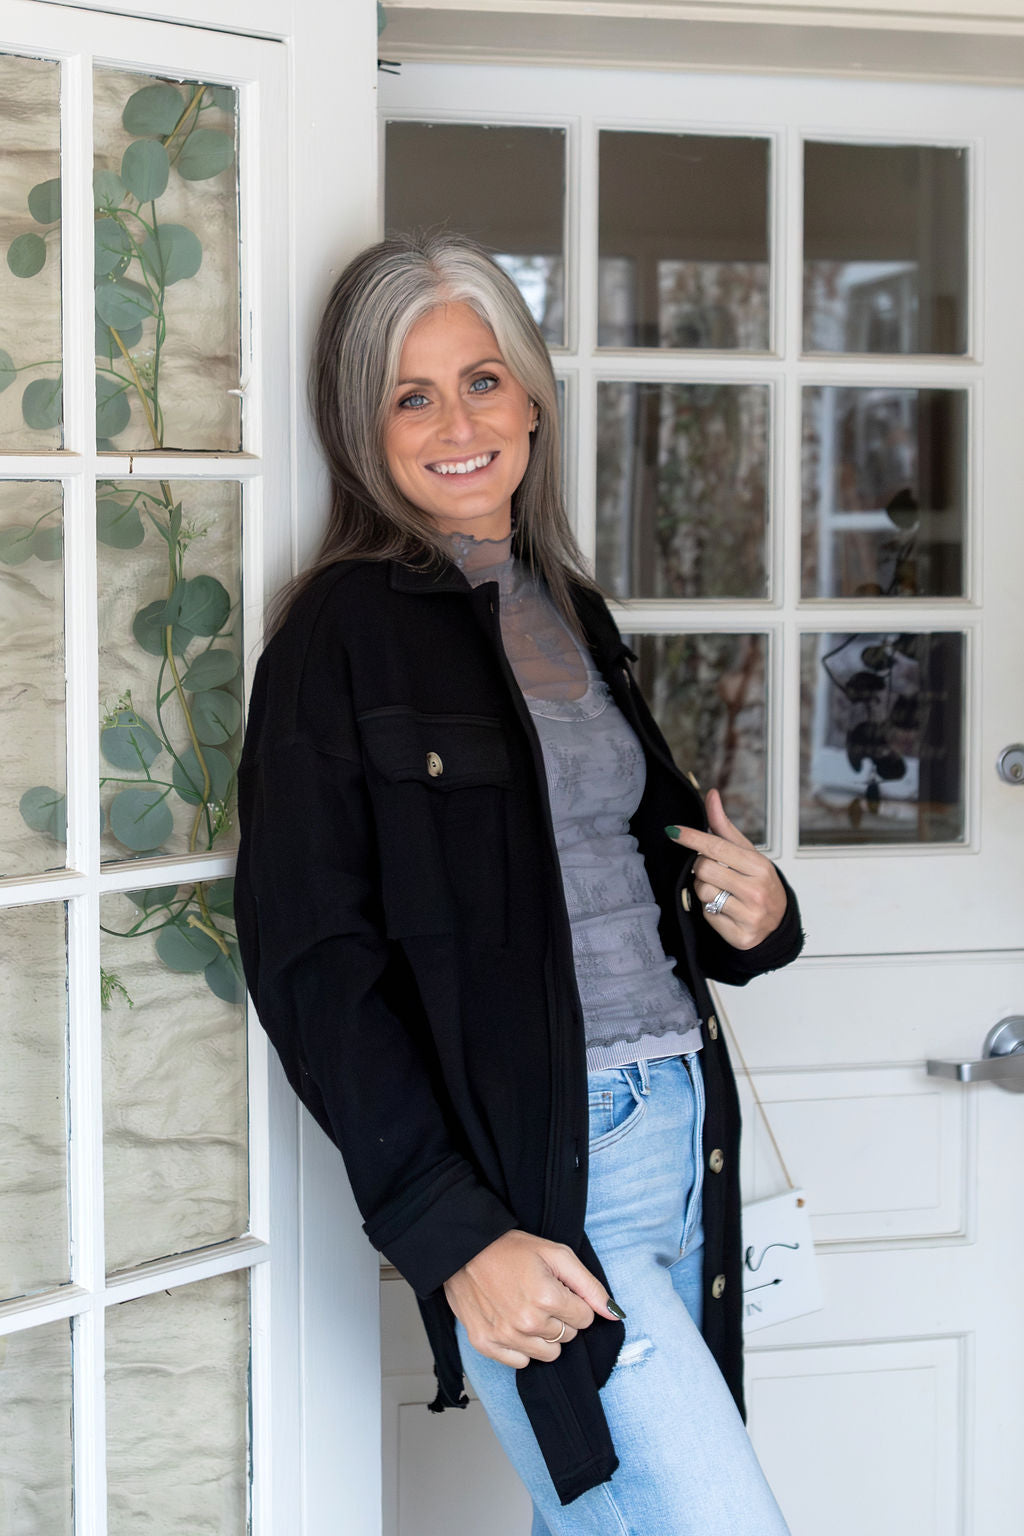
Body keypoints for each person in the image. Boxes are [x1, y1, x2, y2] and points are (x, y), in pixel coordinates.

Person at [234, 231, 804, 1535]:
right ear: (361, 428)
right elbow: (314, 961)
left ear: (532, 399)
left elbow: (629, 856)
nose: (459, 425)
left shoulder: (566, 610)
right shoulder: (338, 637)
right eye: (412, 396)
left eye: (482, 380)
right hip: (548, 1177)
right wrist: (455, 1233)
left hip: (681, 1132)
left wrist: (757, 918)